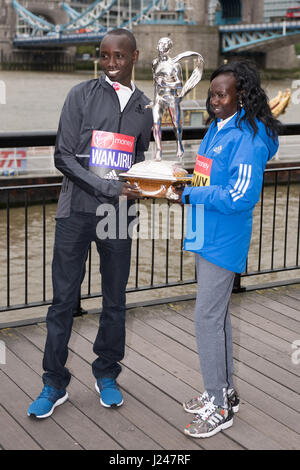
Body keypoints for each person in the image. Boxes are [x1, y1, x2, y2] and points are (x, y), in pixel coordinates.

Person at [27, 29, 153, 418]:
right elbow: (63, 157)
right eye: (104, 56)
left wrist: (153, 182)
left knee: (115, 299)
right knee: (63, 301)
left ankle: (107, 373)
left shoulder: (146, 107)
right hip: (76, 211)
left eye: (119, 57)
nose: (111, 64)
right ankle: (53, 382)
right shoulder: (79, 95)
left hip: (118, 215)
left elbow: (143, 159)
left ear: (134, 57)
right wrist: (105, 187)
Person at [173, 61, 280, 438]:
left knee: (206, 319)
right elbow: (207, 175)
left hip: (223, 238)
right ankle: (224, 392)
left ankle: (219, 406)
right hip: (204, 232)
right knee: (217, 318)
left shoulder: (248, 138)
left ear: (241, 96)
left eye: (223, 95)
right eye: (212, 94)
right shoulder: (219, 129)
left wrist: (189, 194)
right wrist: (181, 182)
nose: (214, 100)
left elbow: (240, 195)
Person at [150, 37, 204, 162]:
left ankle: (179, 144)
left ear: (168, 48)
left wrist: (164, 83)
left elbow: (179, 84)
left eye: (164, 44)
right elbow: (155, 84)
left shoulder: (175, 65)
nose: (161, 46)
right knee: (156, 123)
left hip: (171, 98)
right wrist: (154, 100)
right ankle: (158, 150)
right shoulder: (154, 63)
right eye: (159, 44)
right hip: (159, 97)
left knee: (176, 123)